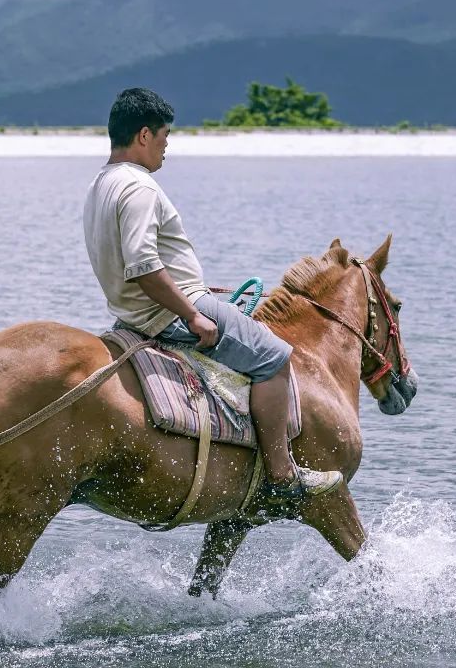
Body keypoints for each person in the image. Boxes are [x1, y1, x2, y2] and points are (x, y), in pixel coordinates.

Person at [82, 87, 343, 502]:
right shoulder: (139, 187)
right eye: (166, 135)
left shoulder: (101, 184)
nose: (167, 146)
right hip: (164, 312)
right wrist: (192, 313)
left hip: (129, 314)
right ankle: (281, 474)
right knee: (275, 357)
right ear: (145, 135)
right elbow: (144, 265)